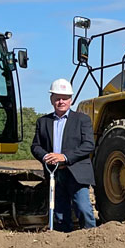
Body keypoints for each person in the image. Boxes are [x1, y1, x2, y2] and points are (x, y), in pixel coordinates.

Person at [31, 78, 96, 231]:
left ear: (71, 100)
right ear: (51, 100)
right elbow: (35, 146)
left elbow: (88, 145)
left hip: (76, 172)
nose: (61, 102)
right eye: (57, 98)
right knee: (59, 212)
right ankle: (62, 242)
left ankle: (92, 237)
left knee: (83, 207)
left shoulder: (82, 120)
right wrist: (46, 156)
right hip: (55, 173)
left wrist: (64, 157)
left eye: (64, 98)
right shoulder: (43, 121)